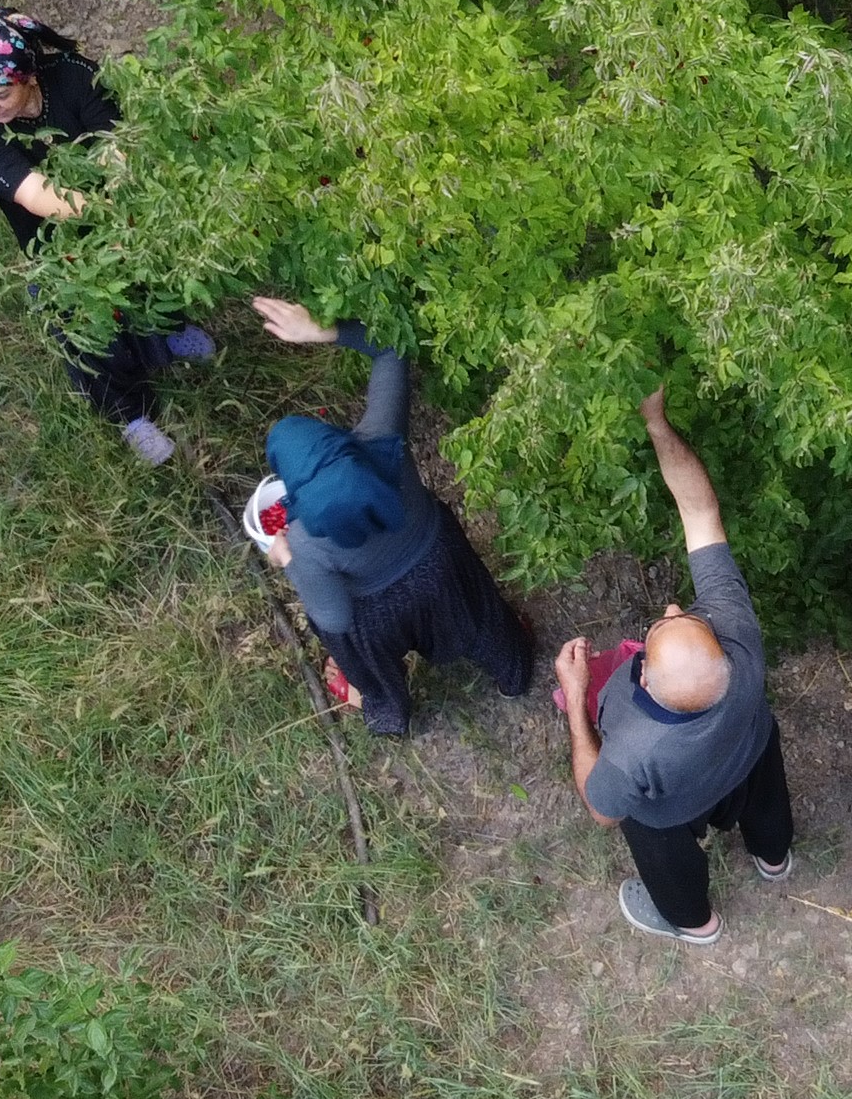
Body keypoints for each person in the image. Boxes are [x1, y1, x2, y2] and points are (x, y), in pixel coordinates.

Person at [554, 389, 793, 945]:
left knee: (656, 843)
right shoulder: (739, 638)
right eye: (679, 618)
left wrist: (577, 702)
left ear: (645, 681)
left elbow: (603, 810)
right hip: (748, 751)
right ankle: (774, 857)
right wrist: (657, 421)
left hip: (670, 804)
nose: (670, 608)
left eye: (660, 626)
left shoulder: (634, 751)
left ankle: (693, 921)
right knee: (767, 800)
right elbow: (700, 511)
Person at [244, 294, 534, 737]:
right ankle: (514, 674)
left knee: (357, 651)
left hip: (380, 614)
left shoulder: (304, 541)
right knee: (484, 621)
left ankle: (386, 710)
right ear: (336, 440)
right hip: (443, 564)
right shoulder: (381, 440)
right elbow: (391, 347)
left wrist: (286, 563)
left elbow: (335, 619)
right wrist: (323, 329)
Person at [0, 9, 217, 465]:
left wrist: (125, 219)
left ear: (29, 77)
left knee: (152, 282)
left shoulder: (75, 77)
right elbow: (37, 195)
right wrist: (111, 222)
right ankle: (130, 415)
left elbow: (119, 147)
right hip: (53, 243)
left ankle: (166, 335)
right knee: (89, 328)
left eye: (0, 95)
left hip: (121, 206)